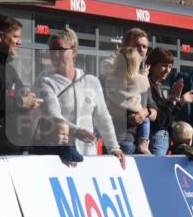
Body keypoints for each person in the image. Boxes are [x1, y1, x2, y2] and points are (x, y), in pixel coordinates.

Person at [34, 29, 126, 169]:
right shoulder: (45, 81)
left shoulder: (91, 81)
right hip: (58, 158)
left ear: (74, 51)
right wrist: (76, 131)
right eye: (51, 50)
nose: (55, 54)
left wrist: (114, 147)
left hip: (87, 156)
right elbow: (53, 115)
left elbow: (103, 117)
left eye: (59, 49)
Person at [0, 14, 41, 154]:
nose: (20, 42)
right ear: (0, 37)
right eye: (16, 37)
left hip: (16, 149)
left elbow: (20, 92)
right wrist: (21, 101)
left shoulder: (8, 67)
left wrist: (29, 98)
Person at [146, 48, 193, 156]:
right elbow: (161, 120)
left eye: (170, 66)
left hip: (161, 140)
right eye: (164, 65)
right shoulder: (147, 85)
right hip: (154, 139)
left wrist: (181, 102)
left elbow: (167, 117)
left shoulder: (158, 85)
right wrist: (173, 100)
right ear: (152, 64)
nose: (167, 70)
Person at [106, 46, 153, 154]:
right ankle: (143, 142)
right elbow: (144, 83)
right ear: (135, 63)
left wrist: (115, 55)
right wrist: (145, 72)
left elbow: (107, 66)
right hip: (133, 113)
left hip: (114, 114)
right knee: (146, 120)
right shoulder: (137, 79)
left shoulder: (112, 78)